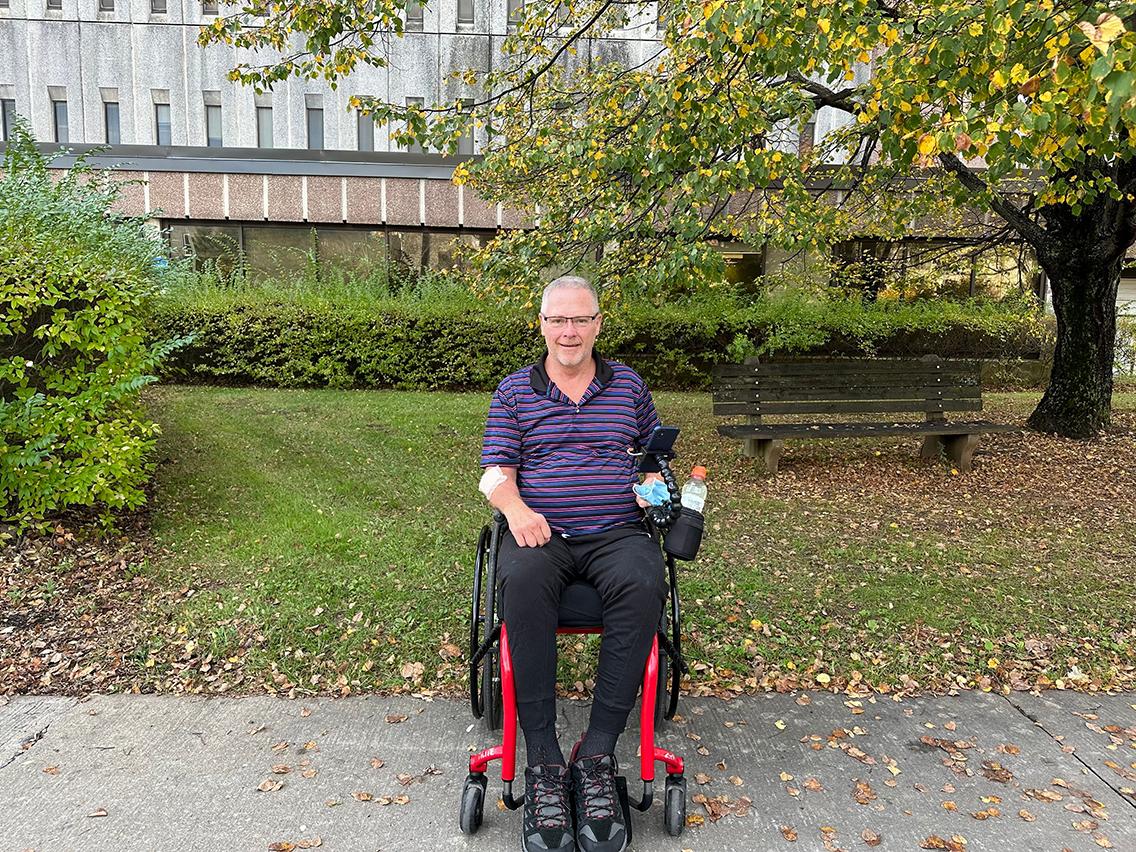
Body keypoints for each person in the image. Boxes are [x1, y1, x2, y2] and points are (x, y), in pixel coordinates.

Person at [479, 276, 666, 852]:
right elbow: (494, 474)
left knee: (644, 580)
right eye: (558, 320)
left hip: (616, 531)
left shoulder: (628, 385)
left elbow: (652, 460)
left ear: (598, 324)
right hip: (543, 531)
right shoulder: (514, 392)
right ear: (541, 324)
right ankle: (542, 762)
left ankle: (599, 751)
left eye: (580, 320)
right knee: (523, 579)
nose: (569, 331)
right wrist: (514, 509)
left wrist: (651, 487)